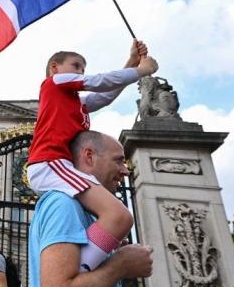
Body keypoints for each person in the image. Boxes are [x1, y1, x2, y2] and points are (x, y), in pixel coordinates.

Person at [27, 41, 157, 274]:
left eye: (83, 68)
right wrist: (141, 71)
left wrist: (131, 63)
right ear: (54, 68)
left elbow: (105, 96)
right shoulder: (54, 83)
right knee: (118, 215)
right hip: (50, 163)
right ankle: (69, 278)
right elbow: (97, 82)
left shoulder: (76, 102)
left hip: (60, 165)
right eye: (76, 65)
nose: (80, 72)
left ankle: (88, 260)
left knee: (108, 217)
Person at [28, 130, 154, 287]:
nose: (125, 170)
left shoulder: (84, 211)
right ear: (89, 156)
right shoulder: (63, 203)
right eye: (118, 160)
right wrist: (121, 264)